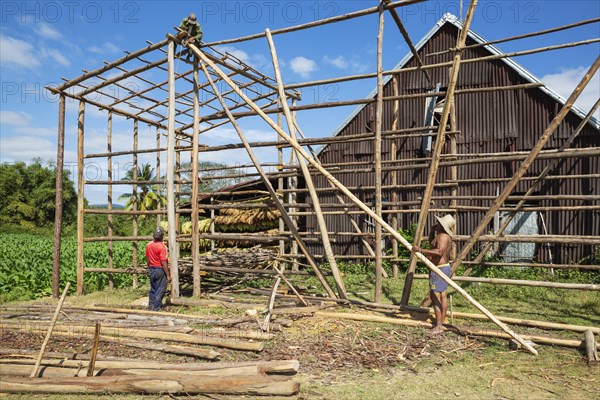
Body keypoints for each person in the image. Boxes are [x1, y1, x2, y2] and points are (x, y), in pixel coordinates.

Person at [411, 214, 455, 335]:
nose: (437, 224)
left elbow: (438, 252)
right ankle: (442, 321)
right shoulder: (443, 236)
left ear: (442, 225)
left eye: (438, 223)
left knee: (435, 297)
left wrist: (420, 250)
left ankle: (439, 326)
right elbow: (433, 244)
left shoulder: (442, 237)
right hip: (443, 268)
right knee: (443, 295)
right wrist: (431, 232)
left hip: (439, 269)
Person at [146, 226, 171, 311]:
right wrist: (168, 275)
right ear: (162, 236)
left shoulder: (149, 245)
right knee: (160, 289)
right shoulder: (162, 247)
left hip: (152, 269)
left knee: (153, 289)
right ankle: (156, 308)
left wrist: (150, 267)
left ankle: (151, 306)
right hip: (160, 269)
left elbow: (148, 259)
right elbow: (163, 262)